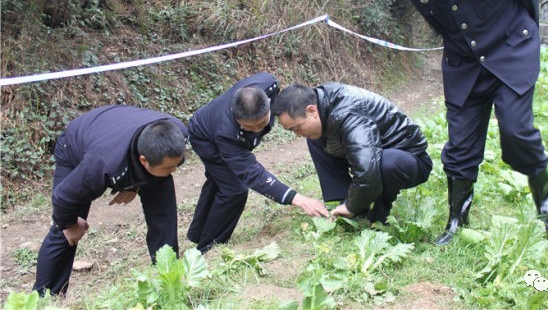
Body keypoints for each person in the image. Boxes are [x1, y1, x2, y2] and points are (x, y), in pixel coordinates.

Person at [387, 0, 548, 245]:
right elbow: (443, 25)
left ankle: (546, 200)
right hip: (464, 66)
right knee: (460, 145)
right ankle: (456, 220)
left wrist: (524, 39)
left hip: (510, 53)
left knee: (516, 130)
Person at [33, 105, 188, 296]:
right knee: (63, 233)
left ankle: (169, 278)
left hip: (119, 130)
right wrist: (69, 223)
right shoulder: (99, 165)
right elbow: (63, 198)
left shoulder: (177, 134)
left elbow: (160, 164)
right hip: (76, 143)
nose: (175, 170)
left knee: (163, 213)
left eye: (176, 164)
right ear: (143, 161)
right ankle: (45, 298)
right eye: (169, 167)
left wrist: (133, 184)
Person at [187, 72, 328, 253]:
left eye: (261, 124)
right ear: (236, 118)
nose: (255, 131)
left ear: (269, 104)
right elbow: (252, 173)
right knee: (234, 189)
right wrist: (299, 200)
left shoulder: (269, 84)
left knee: (219, 179)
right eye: (248, 128)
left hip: (217, 125)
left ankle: (197, 233)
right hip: (205, 137)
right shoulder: (226, 132)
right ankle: (208, 247)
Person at [272, 82, 432, 223]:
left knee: (386, 163)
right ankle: (350, 207)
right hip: (377, 153)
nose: (298, 134)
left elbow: (367, 169)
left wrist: (352, 205)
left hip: (411, 160)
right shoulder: (324, 103)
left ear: (312, 110)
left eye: (296, 127)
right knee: (314, 138)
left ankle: (378, 216)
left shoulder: (348, 114)